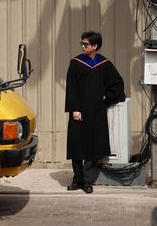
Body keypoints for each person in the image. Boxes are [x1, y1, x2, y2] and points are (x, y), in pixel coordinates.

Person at [65, 31, 126, 194]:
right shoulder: (76, 63)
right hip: (79, 111)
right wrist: (74, 108)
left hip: (97, 111)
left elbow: (118, 83)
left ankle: (86, 181)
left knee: (92, 147)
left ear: (95, 46)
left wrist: (107, 97)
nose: (83, 46)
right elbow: (71, 88)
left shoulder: (104, 64)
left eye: (86, 44)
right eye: (82, 44)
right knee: (77, 146)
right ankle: (77, 179)